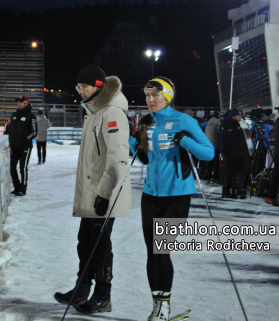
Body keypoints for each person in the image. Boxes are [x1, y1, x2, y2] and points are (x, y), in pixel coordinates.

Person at [129, 77, 214, 321]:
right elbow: (147, 160)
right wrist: (132, 143)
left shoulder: (183, 120)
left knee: (162, 251)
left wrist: (184, 140)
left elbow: (208, 153)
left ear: (167, 96)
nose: (150, 99)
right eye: (147, 95)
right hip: (150, 196)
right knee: (151, 252)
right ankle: (156, 305)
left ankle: (165, 308)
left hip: (177, 196)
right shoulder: (147, 122)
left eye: (155, 94)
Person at [54, 65, 131, 314]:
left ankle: (103, 295)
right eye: (77, 87)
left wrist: (104, 193)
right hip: (92, 192)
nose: (80, 91)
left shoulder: (111, 113)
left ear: (98, 85)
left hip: (103, 194)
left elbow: (118, 159)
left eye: (83, 87)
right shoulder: (93, 111)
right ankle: (81, 290)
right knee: (85, 243)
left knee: (100, 245)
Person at [7, 96, 37, 196]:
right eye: (18, 102)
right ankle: (16, 188)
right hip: (14, 147)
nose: (18, 104)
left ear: (26, 104)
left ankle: (22, 189)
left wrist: (25, 140)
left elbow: (34, 132)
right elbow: (10, 129)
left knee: (23, 168)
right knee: (12, 169)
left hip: (25, 147)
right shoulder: (14, 115)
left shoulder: (31, 116)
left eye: (20, 102)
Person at [222, 108, 252, 199]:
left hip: (236, 154)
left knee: (232, 173)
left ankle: (230, 191)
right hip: (236, 155)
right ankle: (236, 191)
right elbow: (227, 141)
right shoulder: (232, 127)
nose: (240, 117)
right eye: (239, 115)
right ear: (234, 116)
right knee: (236, 173)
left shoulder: (234, 126)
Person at [205, 111, 221, 183]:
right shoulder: (217, 123)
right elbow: (220, 133)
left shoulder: (208, 123)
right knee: (216, 162)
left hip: (208, 145)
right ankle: (215, 176)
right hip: (215, 145)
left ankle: (208, 176)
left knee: (209, 161)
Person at [266, 115, 279, 206]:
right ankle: (271, 196)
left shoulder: (277, 120)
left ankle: (271, 196)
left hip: (277, 151)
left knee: (276, 174)